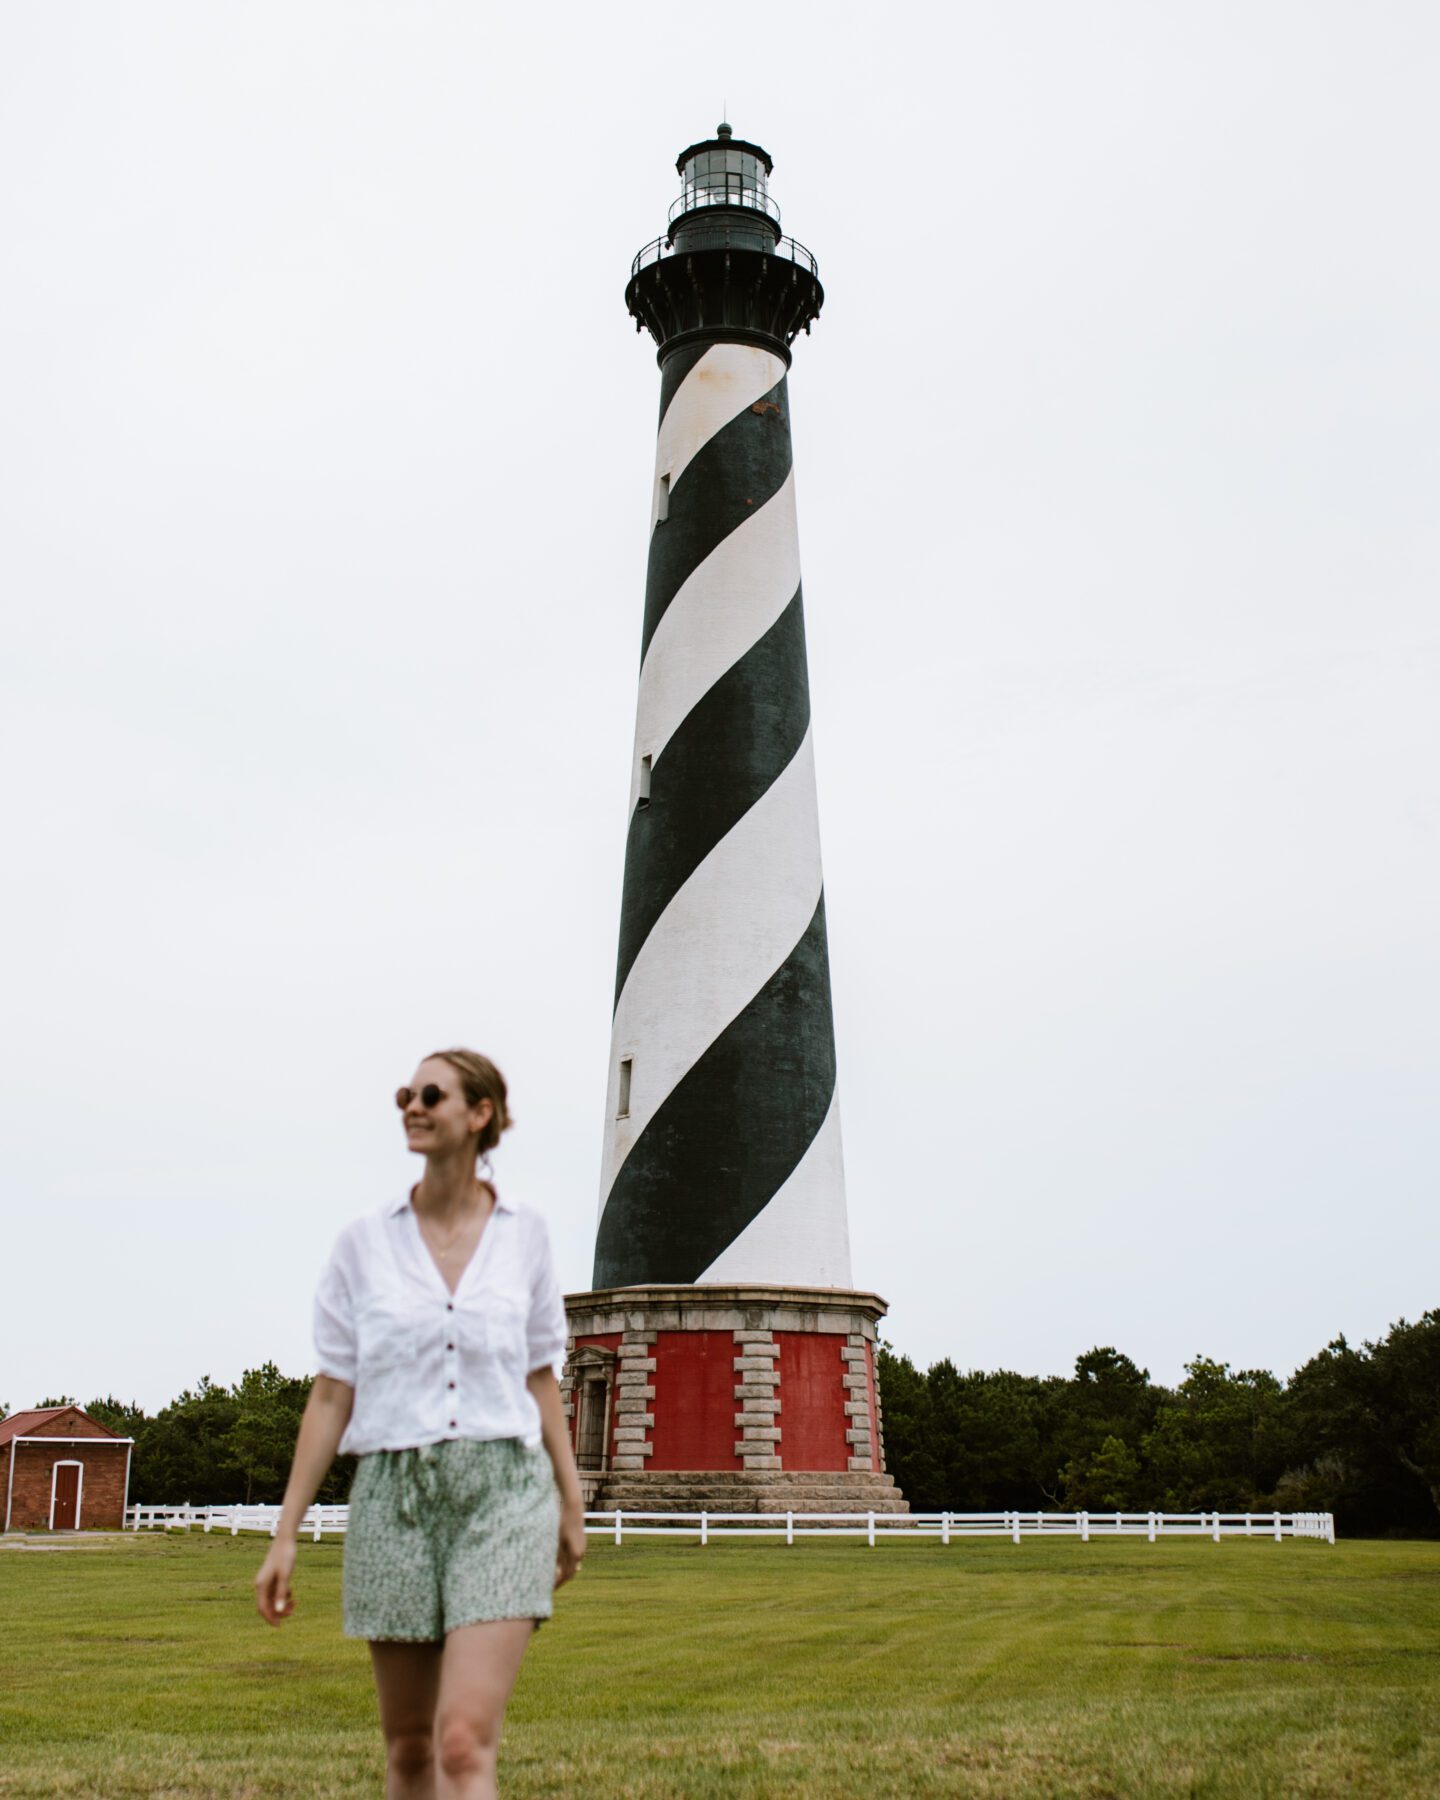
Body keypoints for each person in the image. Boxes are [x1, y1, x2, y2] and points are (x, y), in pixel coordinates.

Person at [255, 1048, 586, 1799]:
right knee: (408, 1747)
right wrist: (284, 1534)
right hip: (392, 1497)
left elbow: (539, 1373)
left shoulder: (523, 1235)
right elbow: (333, 1392)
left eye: (431, 1093)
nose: (412, 1104)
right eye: (405, 1092)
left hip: (503, 1492)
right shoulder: (362, 1245)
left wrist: (570, 1503)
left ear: (480, 1115)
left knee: (463, 1743)